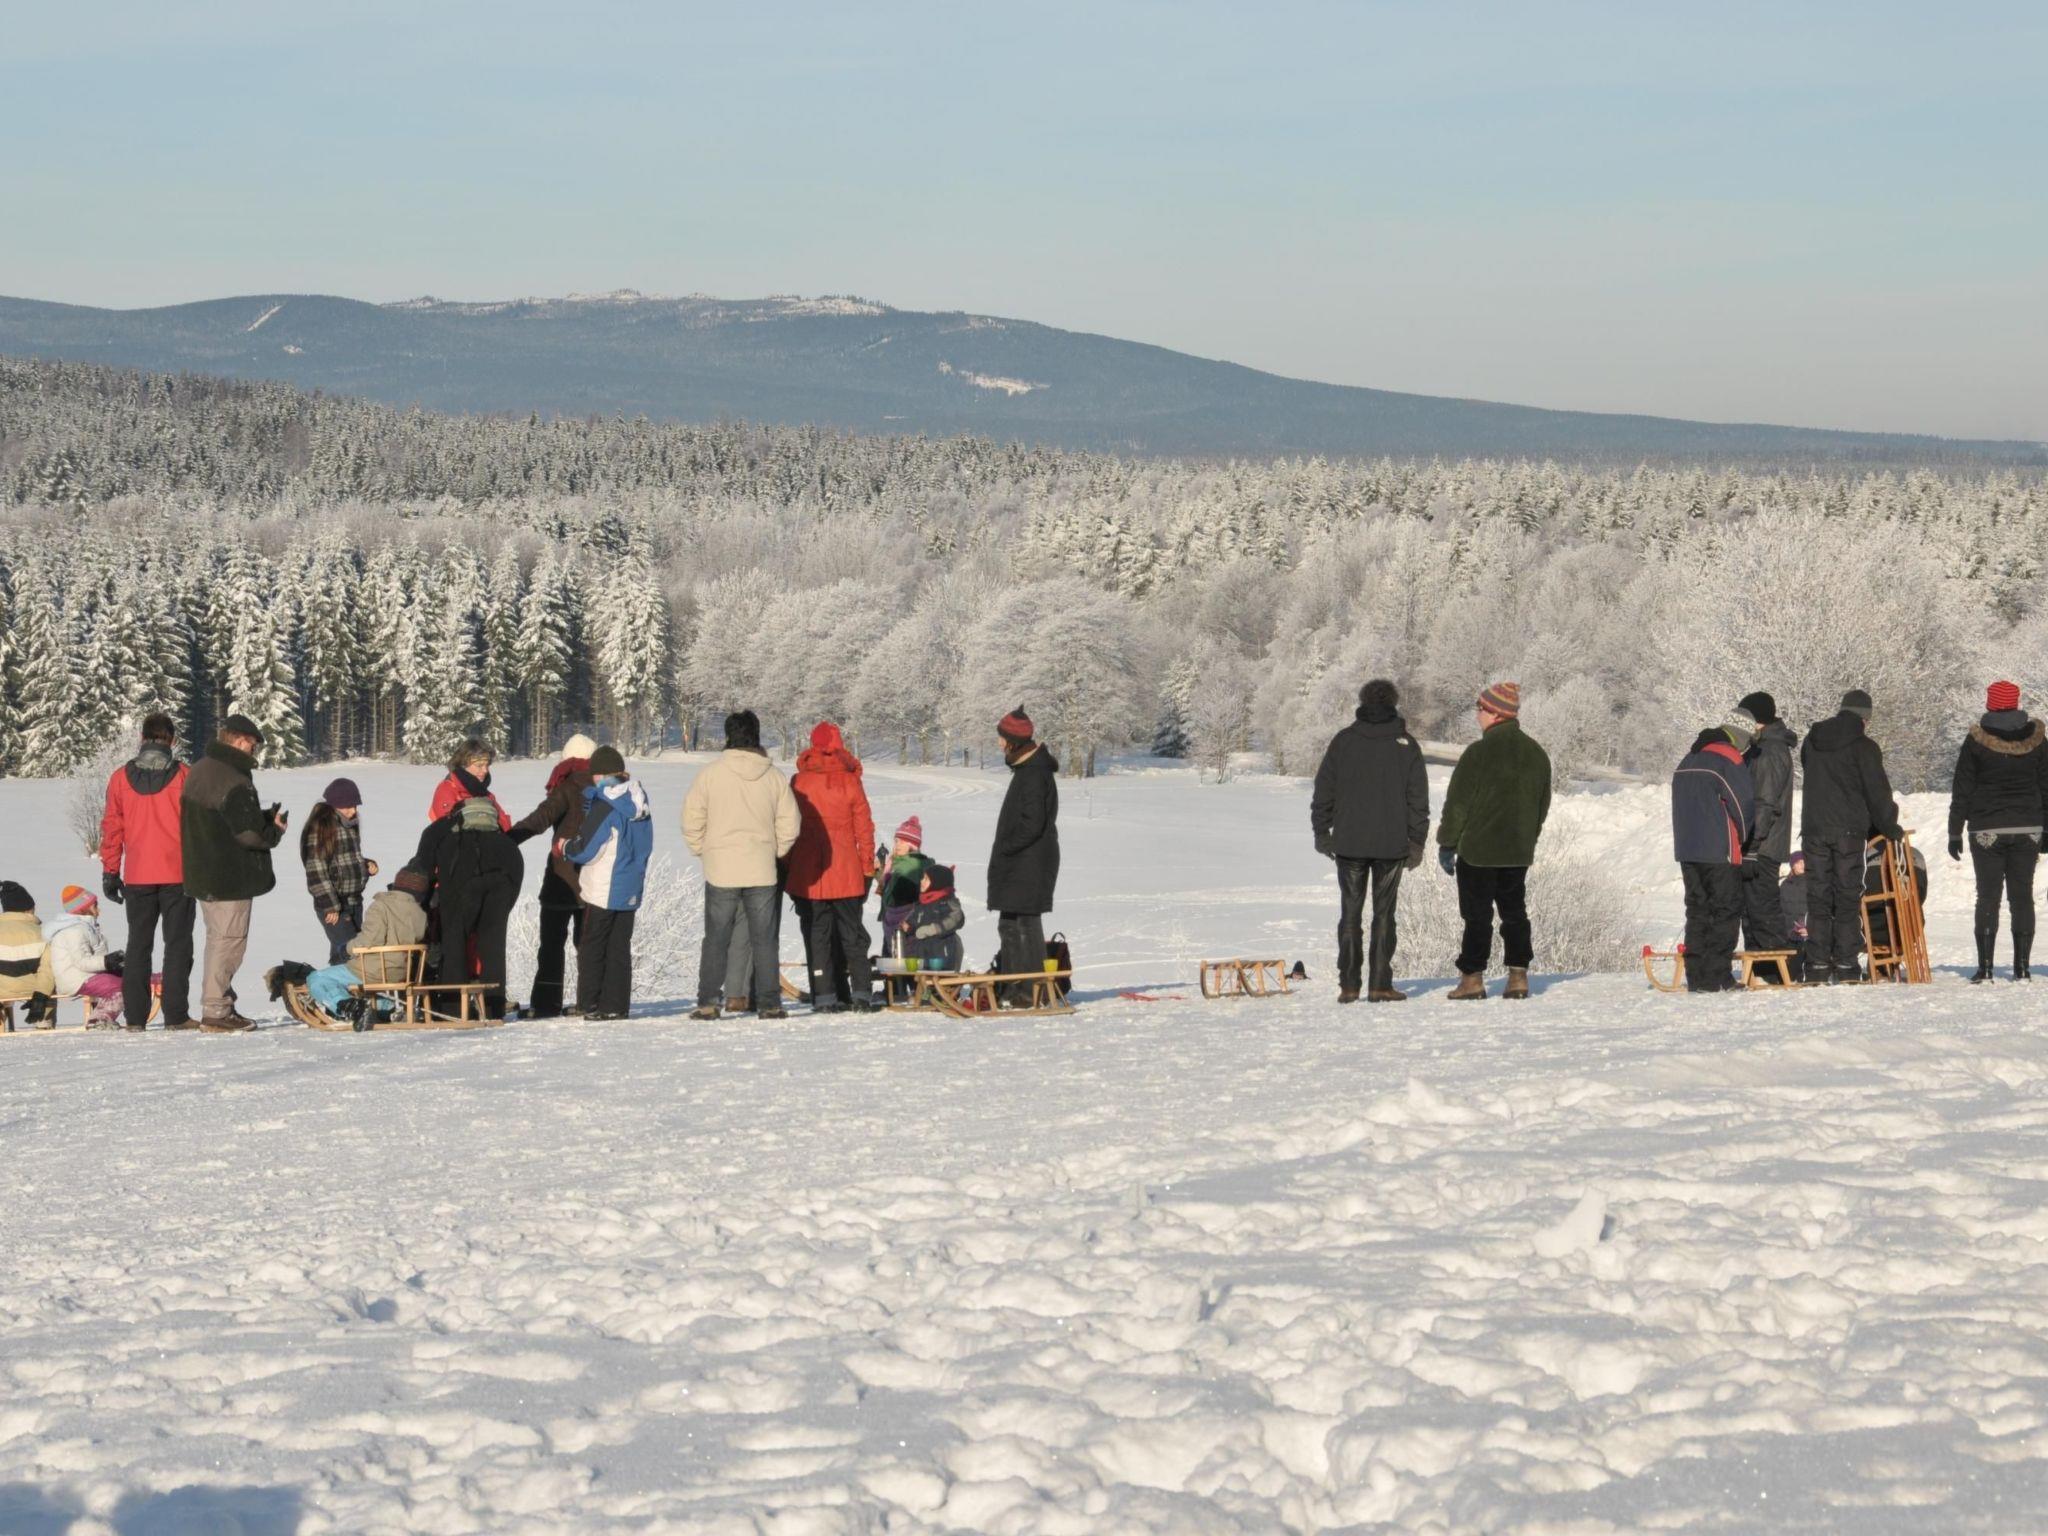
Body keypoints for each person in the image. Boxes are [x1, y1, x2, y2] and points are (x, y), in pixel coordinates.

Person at [1310, 677, 1430, 1004]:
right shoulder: (1406, 745)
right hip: (1392, 844)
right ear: (1393, 704)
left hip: (1349, 842)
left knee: (1350, 914)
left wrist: (1322, 832)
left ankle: (1349, 985)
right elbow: (1418, 800)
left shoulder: (1344, 741)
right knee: (1384, 915)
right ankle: (1380, 984)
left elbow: (1324, 790)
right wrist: (1417, 841)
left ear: (1363, 703)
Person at [1435, 682, 1552, 1001]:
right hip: (1517, 851)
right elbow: (1542, 805)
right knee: (1515, 913)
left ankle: (1472, 978)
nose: (1477, 715)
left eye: (1481, 709)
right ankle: (1518, 976)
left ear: (1496, 713)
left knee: (1477, 916)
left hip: (1478, 851)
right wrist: (1528, 838)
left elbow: (1458, 804)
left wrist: (1447, 843)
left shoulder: (1478, 753)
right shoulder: (1537, 754)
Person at [684, 710, 800, 1021]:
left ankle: (708, 1002)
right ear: (757, 735)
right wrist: (775, 850)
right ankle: (770, 1003)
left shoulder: (711, 774)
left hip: (721, 868)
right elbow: (790, 823)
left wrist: (704, 851)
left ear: (728, 736)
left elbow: (691, 819)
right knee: (764, 940)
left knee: (716, 939)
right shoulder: (773, 777)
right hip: (761, 867)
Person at [180, 715, 286, 1031]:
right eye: (253, 746)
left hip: (203, 872)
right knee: (228, 943)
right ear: (240, 741)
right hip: (229, 876)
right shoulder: (233, 779)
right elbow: (248, 835)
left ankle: (219, 1004)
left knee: (217, 941)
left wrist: (259, 816)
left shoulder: (201, 769)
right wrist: (274, 830)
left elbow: (222, 820)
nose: (254, 752)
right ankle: (217, 1010)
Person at [1799, 689, 1903, 986]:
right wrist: (1888, 825)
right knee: (1847, 895)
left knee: (1818, 896)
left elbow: (1810, 770)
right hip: (1848, 831)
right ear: (1865, 718)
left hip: (1814, 828)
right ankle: (1846, 964)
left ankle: (1817, 965)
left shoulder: (1812, 740)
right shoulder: (1864, 747)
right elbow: (1876, 791)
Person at [1947, 679, 2048, 982]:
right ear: (2016, 703)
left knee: (1988, 897)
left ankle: (1986, 968)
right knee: (2022, 896)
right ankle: (2022, 968)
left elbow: (1963, 788)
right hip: (2028, 826)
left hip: (1986, 828)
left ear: (1990, 703)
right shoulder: (2038, 741)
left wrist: (1954, 831)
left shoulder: (1976, 741)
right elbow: (2046, 786)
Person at [100, 712, 195, 1030]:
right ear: (172, 740)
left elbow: (112, 827)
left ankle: (136, 1018)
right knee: (178, 945)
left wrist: (110, 871)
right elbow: (197, 827)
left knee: (138, 946)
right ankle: (176, 1015)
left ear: (142, 738)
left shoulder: (119, 778)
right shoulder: (184, 775)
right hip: (178, 874)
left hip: (138, 876)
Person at [786, 721, 878, 1013]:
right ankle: (861, 993)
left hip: (810, 870)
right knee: (852, 934)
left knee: (818, 934)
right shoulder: (851, 781)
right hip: (846, 868)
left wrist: (788, 866)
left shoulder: (799, 781)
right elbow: (864, 828)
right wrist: (867, 867)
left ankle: (824, 996)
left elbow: (789, 827)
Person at [507, 732, 598, 1017]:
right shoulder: (605, 787)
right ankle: (590, 1001)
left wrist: (506, 840)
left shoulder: (567, 786)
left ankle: (547, 1003)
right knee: (588, 945)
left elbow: (540, 819)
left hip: (562, 878)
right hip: (595, 879)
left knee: (551, 944)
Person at [418, 783, 524, 1019]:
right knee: (493, 944)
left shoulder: (441, 828)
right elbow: (516, 871)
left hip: (461, 881)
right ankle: (494, 1008)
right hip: (504, 878)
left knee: (454, 941)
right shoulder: (501, 835)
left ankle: (453, 1009)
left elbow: (422, 867)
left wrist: (422, 901)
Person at [563, 746, 654, 1019]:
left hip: (604, 888)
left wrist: (566, 846)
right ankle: (615, 1006)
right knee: (619, 947)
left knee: (592, 945)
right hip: (630, 886)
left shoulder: (605, 805)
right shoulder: (640, 803)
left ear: (601, 775)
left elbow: (587, 849)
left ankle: (589, 1003)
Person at [1671, 718, 1758, 992]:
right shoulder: (1729, 758)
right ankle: (1719, 975)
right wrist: (1743, 837)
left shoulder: (1689, 759)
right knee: (1725, 910)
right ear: (1740, 736)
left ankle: (1697, 976)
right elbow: (1743, 805)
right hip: (1720, 850)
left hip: (1687, 849)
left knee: (1697, 909)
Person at [988, 707, 1061, 999]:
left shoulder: (1033, 772)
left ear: (1013, 741)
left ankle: (1031, 990)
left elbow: (1033, 824)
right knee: (1009, 923)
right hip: (1021, 861)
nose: (999, 743)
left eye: (1002, 738)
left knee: (1026, 924)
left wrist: (1006, 846)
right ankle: (1012, 986)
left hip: (1030, 862)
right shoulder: (1026, 769)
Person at [301, 865, 433, 1021]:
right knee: (359, 984)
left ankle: (350, 1007)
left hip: (373, 970)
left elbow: (370, 939)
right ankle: (390, 1009)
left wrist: (346, 949)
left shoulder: (381, 906)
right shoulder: (421, 915)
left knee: (317, 978)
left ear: (398, 884)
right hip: (401, 972)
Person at [1735, 693, 1799, 975]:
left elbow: (1765, 802)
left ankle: (1776, 972)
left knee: (1762, 908)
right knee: (1752, 909)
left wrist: (1752, 844)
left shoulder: (1770, 751)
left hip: (1763, 845)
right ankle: (1761, 969)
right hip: (1760, 843)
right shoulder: (1761, 748)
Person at [301, 778, 376, 965]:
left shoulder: (349, 825)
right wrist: (330, 905)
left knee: (342, 954)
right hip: (334, 906)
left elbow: (346, 859)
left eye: (355, 806)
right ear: (335, 805)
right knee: (351, 954)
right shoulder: (322, 828)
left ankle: (334, 983)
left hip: (354, 902)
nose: (353, 811)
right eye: (348, 807)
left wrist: (365, 865)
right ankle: (341, 984)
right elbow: (316, 869)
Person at [44, 885, 128, 1026]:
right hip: (76, 979)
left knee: (127, 981)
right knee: (120, 987)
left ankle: (106, 1014)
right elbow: (81, 962)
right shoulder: (74, 931)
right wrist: (106, 961)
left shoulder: (86, 928)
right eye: (95, 906)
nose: (99, 911)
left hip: (86, 975)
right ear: (83, 908)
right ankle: (99, 1019)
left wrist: (114, 965)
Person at [875, 816, 935, 957]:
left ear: (912, 845)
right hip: (893, 919)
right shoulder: (898, 862)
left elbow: (898, 891)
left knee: (901, 956)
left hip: (902, 920)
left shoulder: (911, 865)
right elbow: (890, 887)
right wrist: (880, 872)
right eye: (896, 841)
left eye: (902, 842)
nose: (897, 845)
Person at [0, 881, 57, 1026]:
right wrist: (41, 995)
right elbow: (47, 969)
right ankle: (44, 1022)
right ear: (27, 909)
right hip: (33, 988)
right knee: (50, 985)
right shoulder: (42, 934)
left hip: (1, 990)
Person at [429, 739, 511, 831]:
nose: (485, 770)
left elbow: (505, 825)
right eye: (479, 765)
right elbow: (447, 829)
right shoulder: (447, 790)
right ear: (463, 766)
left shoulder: (485, 793)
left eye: (487, 765)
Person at [904, 864, 967, 972]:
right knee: (925, 979)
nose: (921, 881)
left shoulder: (946, 901)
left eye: (926, 879)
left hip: (944, 952)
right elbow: (915, 921)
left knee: (943, 981)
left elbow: (957, 918)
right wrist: (909, 927)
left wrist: (933, 929)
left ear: (937, 883)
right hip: (924, 953)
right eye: (922, 878)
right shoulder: (922, 903)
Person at [1781, 850, 1809, 953]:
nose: (1802, 865)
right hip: (1789, 935)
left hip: (1809, 934)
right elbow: (1782, 910)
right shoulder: (1785, 885)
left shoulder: (1812, 884)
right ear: (1793, 865)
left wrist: (1810, 928)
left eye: (1804, 861)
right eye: (1798, 862)